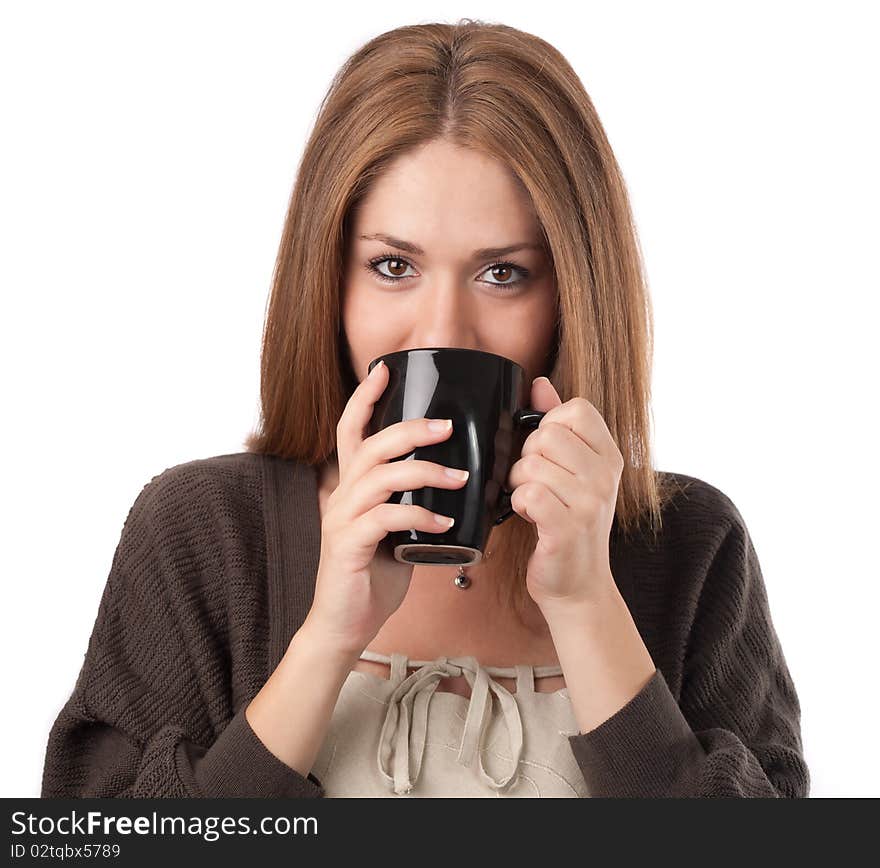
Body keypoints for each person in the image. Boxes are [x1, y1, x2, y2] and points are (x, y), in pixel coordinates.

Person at [41, 19, 809, 798]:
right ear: (330, 283)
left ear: (572, 296)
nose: (442, 332)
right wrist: (326, 641)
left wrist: (587, 607)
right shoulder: (200, 534)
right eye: (394, 265)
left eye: (504, 273)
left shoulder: (692, 550)